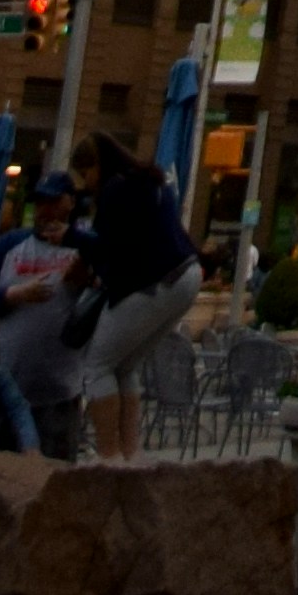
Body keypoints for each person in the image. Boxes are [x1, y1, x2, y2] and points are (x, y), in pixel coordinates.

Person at [77, 134, 207, 464]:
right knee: (126, 364)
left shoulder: (115, 189)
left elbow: (106, 246)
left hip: (155, 281)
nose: (85, 183)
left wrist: (70, 238)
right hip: (186, 275)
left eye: (85, 172)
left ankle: (109, 454)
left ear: (97, 166)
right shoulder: (149, 182)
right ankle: (130, 452)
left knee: (97, 365)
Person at [0, 168, 99, 460]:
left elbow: (113, 290)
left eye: (53, 202)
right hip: (10, 387)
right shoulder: (9, 245)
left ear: (70, 203)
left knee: (55, 476)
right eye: (40, 203)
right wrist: (12, 295)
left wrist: (88, 281)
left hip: (61, 389)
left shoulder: (84, 247)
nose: (45, 211)